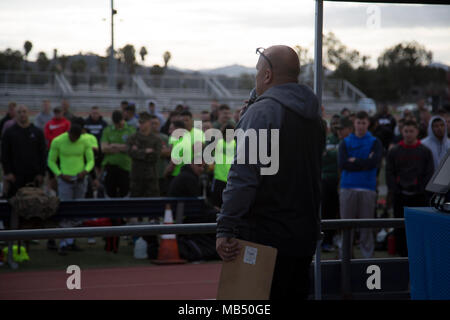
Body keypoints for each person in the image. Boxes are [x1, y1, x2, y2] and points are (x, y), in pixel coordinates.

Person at [216, 45, 325, 300]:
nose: (256, 79)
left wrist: (226, 227)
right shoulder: (316, 119)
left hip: (264, 238)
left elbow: (243, 176)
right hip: (302, 237)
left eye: (257, 73)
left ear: (266, 76)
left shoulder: (263, 112)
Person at [338, 111, 383, 259]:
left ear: (368, 124)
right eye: (358, 122)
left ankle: (367, 259)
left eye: (364, 123)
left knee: (366, 227)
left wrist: (355, 161)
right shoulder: (345, 142)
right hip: (348, 187)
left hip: (367, 187)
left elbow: (374, 162)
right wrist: (364, 161)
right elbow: (343, 163)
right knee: (346, 227)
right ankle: (344, 258)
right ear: (354, 123)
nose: (361, 126)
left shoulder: (375, 142)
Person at [386, 120, 434, 257]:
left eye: (411, 131)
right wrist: (395, 189)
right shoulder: (394, 151)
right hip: (400, 196)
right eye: (406, 131)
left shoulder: (425, 151)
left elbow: (428, 173)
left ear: (417, 132)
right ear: (402, 132)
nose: (408, 134)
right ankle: (401, 254)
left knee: (418, 228)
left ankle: (418, 253)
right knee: (400, 227)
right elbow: (389, 172)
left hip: (419, 196)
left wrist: (420, 189)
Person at [48, 120, 94, 255]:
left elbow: (91, 160)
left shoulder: (85, 141)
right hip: (65, 180)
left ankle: (71, 241)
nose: (74, 140)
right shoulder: (58, 141)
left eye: (77, 138)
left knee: (77, 211)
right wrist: (60, 175)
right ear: (69, 134)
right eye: (73, 137)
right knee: (65, 210)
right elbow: (50, 160)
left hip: (80, 179)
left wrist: (85, 171)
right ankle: (63, 243)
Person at [1, 105, 46, 198]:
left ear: (28, 113)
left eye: (24, 112)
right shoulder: (9, 133)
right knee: (16, 204)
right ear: (15, 115)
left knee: (34, 203)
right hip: (15, 176)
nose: (22, 114)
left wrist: (41, 173)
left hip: (34, 176)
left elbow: (43, 154)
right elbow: (4, 154)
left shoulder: (37, 132)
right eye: (19, 112)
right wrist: (8, 172)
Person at [101, 110, 135, 198]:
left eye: (119, 123)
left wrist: (113, 145)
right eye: (115, 123)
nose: (117, 125)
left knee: (125, 193)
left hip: (126, 167)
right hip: (110, 167)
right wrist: (122, 148)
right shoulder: (108, 130)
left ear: (123, 119)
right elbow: (104, 148)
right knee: (110, 193)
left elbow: (131, 147)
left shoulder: (130, 130)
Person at [127, 112, 162, 197]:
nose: (141, 125)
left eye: (143, 122)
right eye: (140, 122)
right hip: (136, 176)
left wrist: (138, 152)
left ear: (149, 123)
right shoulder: (133, 138)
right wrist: (145, 151)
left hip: (150, 177)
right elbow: (130, 153)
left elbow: (155, 157)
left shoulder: (156, 139)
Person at [321, 114, 341, 252]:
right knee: (326, 211)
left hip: (339, 180)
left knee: (336, 211)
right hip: (324, 180)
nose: (335, 127)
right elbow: (322, 158)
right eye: (333, 124)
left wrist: (330, 154)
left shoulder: (342, 140)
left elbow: (339, 158)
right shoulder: (324, 140)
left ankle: (333, 239)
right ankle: (325, 241)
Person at [211, 124, 236, 208]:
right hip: (219, 179)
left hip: (232, 179)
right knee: (216, 205)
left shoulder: (236, 144)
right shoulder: (218, 143)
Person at [150, 115, 171, 196]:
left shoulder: (164, 137)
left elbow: (168, 152)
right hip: (148, 173)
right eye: (152, 123)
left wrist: (152, 151)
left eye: (156, 123)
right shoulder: (145, 137)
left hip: (161, 172)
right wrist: (160, 151)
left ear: (159, 125)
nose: (154, 125)